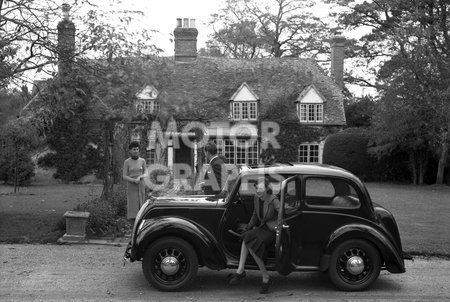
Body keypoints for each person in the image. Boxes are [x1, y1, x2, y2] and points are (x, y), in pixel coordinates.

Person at [229, 176, 280, 294]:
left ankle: (265, 276)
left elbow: (283, 213)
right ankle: (241, 270)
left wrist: (279, 226)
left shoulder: (273, 199)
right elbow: (255, 215)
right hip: (262, 228)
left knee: (251, 244)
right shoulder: (257, 198)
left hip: (272, 231)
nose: (258, 190)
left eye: (261, 188)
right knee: (247, 237)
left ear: (267, 189)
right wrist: (248, 226)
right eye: (256, 188)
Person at [122, 141, 147, 220]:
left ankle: (140, 225)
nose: (136, 151)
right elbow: (124, 176)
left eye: (137, 149)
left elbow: (146, 173)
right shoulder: (127, 162)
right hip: (131, 186)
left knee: (141, 205)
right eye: (134, 149)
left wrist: (140, 177)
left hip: (141, 184)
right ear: (130, 151)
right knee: (132, 206)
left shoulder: (142, 161)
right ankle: (133, 226)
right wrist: (133, 180)